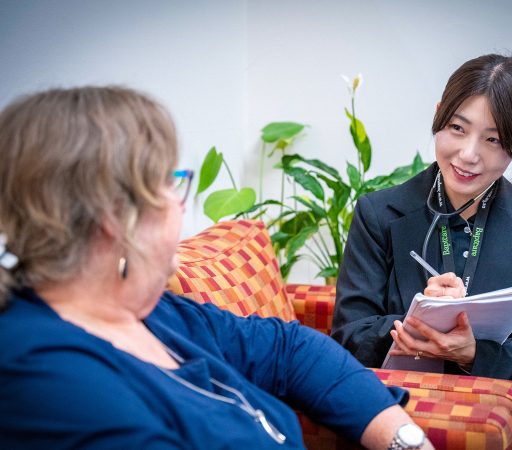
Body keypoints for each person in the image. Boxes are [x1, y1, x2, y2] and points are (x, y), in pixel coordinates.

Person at [0, 87, 434, 450]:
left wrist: (406, 443)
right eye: (170, 182)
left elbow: (290, 349)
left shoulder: (149, 311)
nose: (181, 200)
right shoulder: (47, 377)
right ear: (115, 218)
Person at [332, 54, 512, 450]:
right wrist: (415, 322)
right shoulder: (377, 213)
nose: (468, 155)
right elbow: (349, 336)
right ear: (439, 116)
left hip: (500, 421)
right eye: (457, 128)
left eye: (495, 139)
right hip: (395, 410)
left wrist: (472, 354)